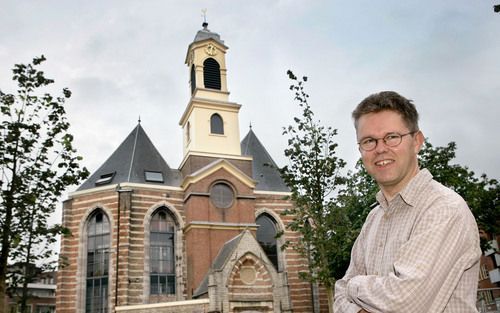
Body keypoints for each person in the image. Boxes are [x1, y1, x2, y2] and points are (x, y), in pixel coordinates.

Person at [333, 91, 481, 313]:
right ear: (360, 150)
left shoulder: (444, 209)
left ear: (416, 142)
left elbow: (404, 304)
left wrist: (354, 287)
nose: (380, 148)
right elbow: (338, 297)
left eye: (392, 137)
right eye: (369, 141)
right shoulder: (373, 220)